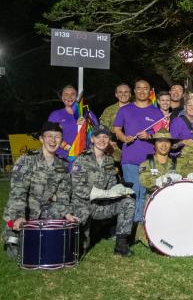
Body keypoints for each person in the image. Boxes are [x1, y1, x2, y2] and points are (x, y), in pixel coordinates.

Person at [3, 122, 76, 259]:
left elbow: (63, 195)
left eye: (57, 137)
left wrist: (67, 213)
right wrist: (18, 216)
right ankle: (11, 235)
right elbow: (18, 192)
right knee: (17, 255)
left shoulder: (63, 165)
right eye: (49, 136)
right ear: (41, 139)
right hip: (24, 212)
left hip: (44, 211)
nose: (53, 140)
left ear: (61, 141)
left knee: (53, 249)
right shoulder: (26, 160)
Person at [70, 125, 135, 256]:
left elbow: (111, 185)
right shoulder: (82, 159)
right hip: (82, 206)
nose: (102, 140)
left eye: (105, 136)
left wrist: (121, 190)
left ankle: (121, 245)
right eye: (98, 137)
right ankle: (86, 236)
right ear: (92, 139)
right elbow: (77, 188)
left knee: (128, 202)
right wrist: (103, 193)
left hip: (101, 206)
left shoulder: (109, 161)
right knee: (80, 250)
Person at [113, 79, 166, 223]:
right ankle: (127, 225)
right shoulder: (125, 110)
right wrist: (124, 138)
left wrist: (149, 136)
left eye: (145, 88)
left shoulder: (156, 112)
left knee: (144, 193)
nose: (142, 91)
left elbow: (163, 134)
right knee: (132, 193)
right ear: (134, 91)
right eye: (139, 88)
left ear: (150, 92)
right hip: (130, 157)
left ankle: (140, 223)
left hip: (149, 160)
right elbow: (117, 129)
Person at [47, 84, 100, 163]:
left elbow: (97, 133)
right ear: (62, 98)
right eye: (66, 94)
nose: (69, 97)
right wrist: (71, 150)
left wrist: (85, 125)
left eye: (73, 94)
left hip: (85, 158)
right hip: (61, 158)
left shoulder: (87, 113)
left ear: (77, 97)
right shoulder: (56, 115)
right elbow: (50, 137)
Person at [139, 129, 180, 193]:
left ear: (171, 145)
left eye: (167, 142)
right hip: (154, 200)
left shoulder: (178, 163)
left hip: (174, 198)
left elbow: (186, 179)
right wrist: (159, 181)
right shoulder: (146, 164)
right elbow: (145, 182)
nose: (164, 145)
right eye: (160, 141)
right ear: (154, 145)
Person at [99, 83, 132, 163]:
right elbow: (102, 129)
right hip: (114, 147)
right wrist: (108, 141)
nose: (123, 94)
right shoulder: (109, 110)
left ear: (130, 94)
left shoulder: (137, 109)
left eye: (126, 92)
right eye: (120, 92)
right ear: (116, 94)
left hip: (133, 145)